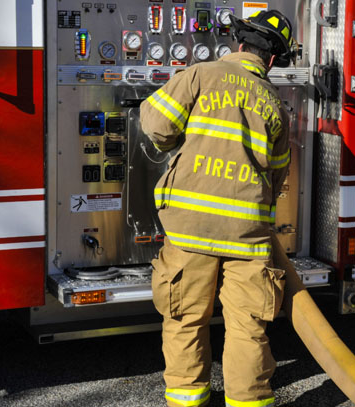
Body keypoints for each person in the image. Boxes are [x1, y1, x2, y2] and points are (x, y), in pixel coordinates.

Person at [139, 10, 296, 407]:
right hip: (248, 234)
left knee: (185, 317)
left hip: (191, 229)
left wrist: (178, 147)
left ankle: (188, 399)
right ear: (272, 59)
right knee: (248, 326)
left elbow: (157, 125)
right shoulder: (275, 104)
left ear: (238, 45)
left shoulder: (200, 75)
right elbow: (276, 179)